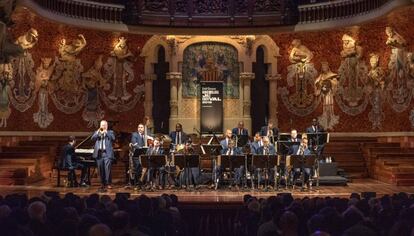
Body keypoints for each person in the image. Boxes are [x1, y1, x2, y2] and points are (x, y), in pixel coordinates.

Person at [92, 120, 115, 191]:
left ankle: (108, 183)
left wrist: (106, 132)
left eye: (104, 125)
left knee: (107, 169)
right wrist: (98, 132)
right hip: (99, 153)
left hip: (107, 153)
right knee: (100, 169)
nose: (103, 126)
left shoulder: (110, 132)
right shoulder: (97, 132)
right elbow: (92, 138)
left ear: (107, 126)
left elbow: (113, 138)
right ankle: (102, 183)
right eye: (102, 125)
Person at [130, 123, 154, 187]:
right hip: (137, 155)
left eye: (141, 127)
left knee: (147, 167)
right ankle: (138, 182)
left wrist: (150, 139)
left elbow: (152, 140)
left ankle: (144, 182)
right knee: (138, 168)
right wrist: (141, 148)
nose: (140, 129)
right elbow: (134, 143)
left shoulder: (146, 135)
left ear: (144, 129)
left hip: (144, 156)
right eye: (139, 127)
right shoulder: (135, 134)